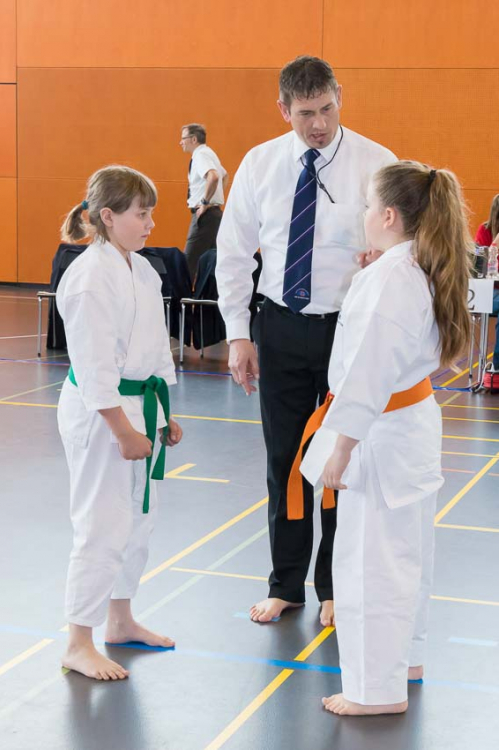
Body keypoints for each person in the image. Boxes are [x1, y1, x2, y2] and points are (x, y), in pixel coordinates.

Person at [215, 55, 396, 626]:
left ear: (340, 97)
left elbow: (405, 245)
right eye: (304, 113)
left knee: (342, 462)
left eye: (326, 109)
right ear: (283, 109)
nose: (318, 124)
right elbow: (233, 252)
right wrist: (238, 334)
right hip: (280, 325)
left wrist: (383, 257)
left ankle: (335, 586)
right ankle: (286, 584)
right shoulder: (260, 163)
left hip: (349, 328)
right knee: (285, 461)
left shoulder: (378, 163)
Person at [299, 161, 471, 715]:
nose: (365, 213)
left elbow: (368, 370)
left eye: (370, 205)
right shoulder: (415, 266)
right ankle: (406, 661)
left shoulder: (392, 278)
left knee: (369, 564)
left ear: (390, 216)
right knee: (407, 555)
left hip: (379, 434)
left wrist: (342, 445)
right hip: (408, 427)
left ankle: (374, 691)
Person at [57, 165, 183, 681]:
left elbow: (155, 346)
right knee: (101, 523)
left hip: (141, 407)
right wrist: (122, 429)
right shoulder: (89, 279)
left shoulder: (143, 270)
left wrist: (165, 415)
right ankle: (77, 641)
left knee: (136, 520)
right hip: (100, 413)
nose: (151, 223)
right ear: (107, 217)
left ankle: (120, 619)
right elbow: (93, 369)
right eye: (141, 214)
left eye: (151, 212)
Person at [181, 123, 228, 281]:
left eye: (183, 138)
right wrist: (215, 199)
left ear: (194, 139)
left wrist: (205, 202)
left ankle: (182, 297)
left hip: (205, 215)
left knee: (187, 264)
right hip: (214, 214)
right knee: (211, 265)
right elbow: (224, 176)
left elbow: (214, 176)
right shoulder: (209, 153)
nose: (181, 142)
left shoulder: (200, 155)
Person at [474, 194, 499, 373]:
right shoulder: (485, 230)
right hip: (488, 292)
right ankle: (497, 366)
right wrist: (495, 244)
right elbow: (479, 265)